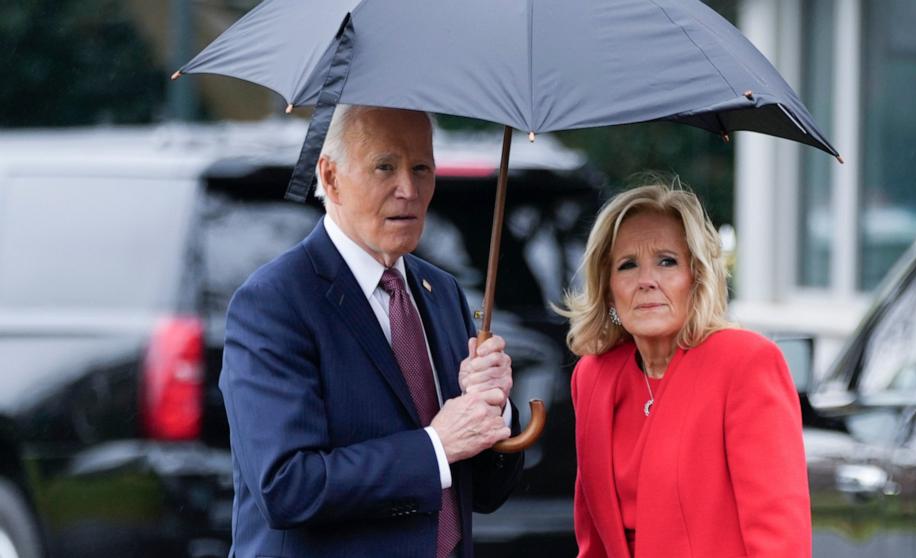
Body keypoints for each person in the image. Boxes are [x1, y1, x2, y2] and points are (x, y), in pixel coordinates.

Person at [219, 104, 524, 558]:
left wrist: (493, 412)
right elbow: (286, 486)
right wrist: (435, 446)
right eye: (385, 166)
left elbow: (482, 493)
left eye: (422, 167)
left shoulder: (441, 292)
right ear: (331, 176)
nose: (408, 189)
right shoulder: (276, 301)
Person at [558, 183, 810, 558]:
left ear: (697, 277)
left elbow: (780, 542)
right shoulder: (592, 376)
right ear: (609, 290)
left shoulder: (746, 363)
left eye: (666, 261)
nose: (647, 280)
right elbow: (592, 542)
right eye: (628, 265)